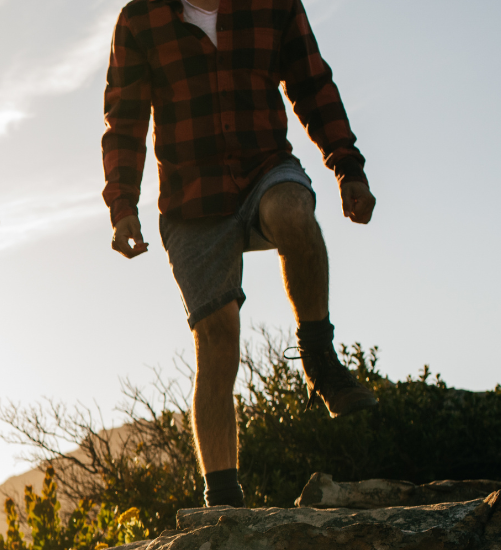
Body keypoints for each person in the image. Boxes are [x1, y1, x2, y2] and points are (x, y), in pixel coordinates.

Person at [99, 0, 380, 508]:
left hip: (264, 168)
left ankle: (318, 356)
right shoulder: (140, 20)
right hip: (192, 200)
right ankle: (224, 499)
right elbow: (125, 119)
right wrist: (122, 204)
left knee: (295, 215)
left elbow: (313, 84)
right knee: (218, 337)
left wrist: (348, 166)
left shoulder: (273, 5)